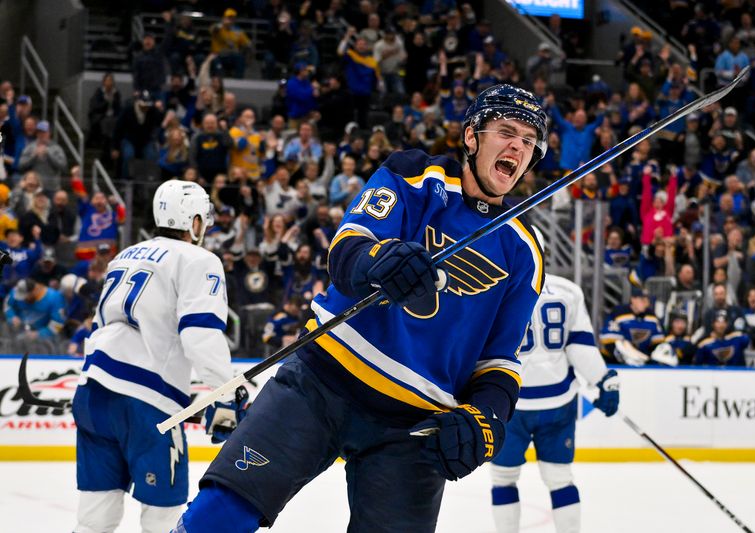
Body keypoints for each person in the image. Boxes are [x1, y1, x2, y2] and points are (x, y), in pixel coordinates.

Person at [175, 84, 549, 532]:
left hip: (415, 425)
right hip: (321, 379)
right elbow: (347, 251)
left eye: (529, 142)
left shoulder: (526, 252)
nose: (518, 147)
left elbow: (500, 363)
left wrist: (486, 417)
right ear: (471, 136)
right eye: (506, 131)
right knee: (219, 514)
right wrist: (382, 261)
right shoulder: (415, 176)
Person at [71, 180, 248, 533]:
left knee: (94, 519)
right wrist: (225, 393)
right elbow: (200, 333)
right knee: (163, 517)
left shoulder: (125, 255)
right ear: (193, 221)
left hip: (91, 393)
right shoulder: (200, 259)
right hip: (146, 404)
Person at [490, 273, 619, 533]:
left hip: (510, 403)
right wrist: (603, 380)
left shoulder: (496, 287)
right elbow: (579, 345)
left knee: (503, 479)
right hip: (558, 400)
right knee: (560, 479)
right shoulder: (567, 290)